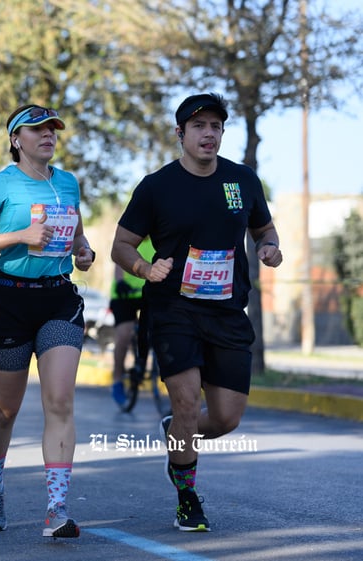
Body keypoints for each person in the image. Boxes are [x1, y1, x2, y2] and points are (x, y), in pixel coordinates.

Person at [110, 93, 283, 532]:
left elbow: (263, 226)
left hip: (226, 311)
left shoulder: (242, 180)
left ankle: (179, 434)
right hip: (173, 309)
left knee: (225, 418)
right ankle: (187, 496)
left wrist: (268, 246)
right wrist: (146, 268)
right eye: (199, 126)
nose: (209, 133)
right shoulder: (157, 186)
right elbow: (121, 246)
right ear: (180, 134)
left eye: (216, 127)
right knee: (186, 401)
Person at [0, 104, 96, 538]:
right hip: (9, 301)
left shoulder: (68, 183)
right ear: (16, 139)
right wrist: (19, 236)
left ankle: (57, 507)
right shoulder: (0, 184)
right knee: (5, 410)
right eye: (36, 129)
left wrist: (83, 251)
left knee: (59, 401)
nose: (48, 136)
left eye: (52, 129)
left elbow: (75, 233)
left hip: (58, 299)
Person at [110, 236, 155, 408]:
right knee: (124, 334)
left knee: (156, 331)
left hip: (148, 293)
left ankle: (146, 366)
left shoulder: (157, 237)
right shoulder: (132, 236)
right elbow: (118, 262)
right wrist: (120, 282)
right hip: (125, 295)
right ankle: (117, 380)